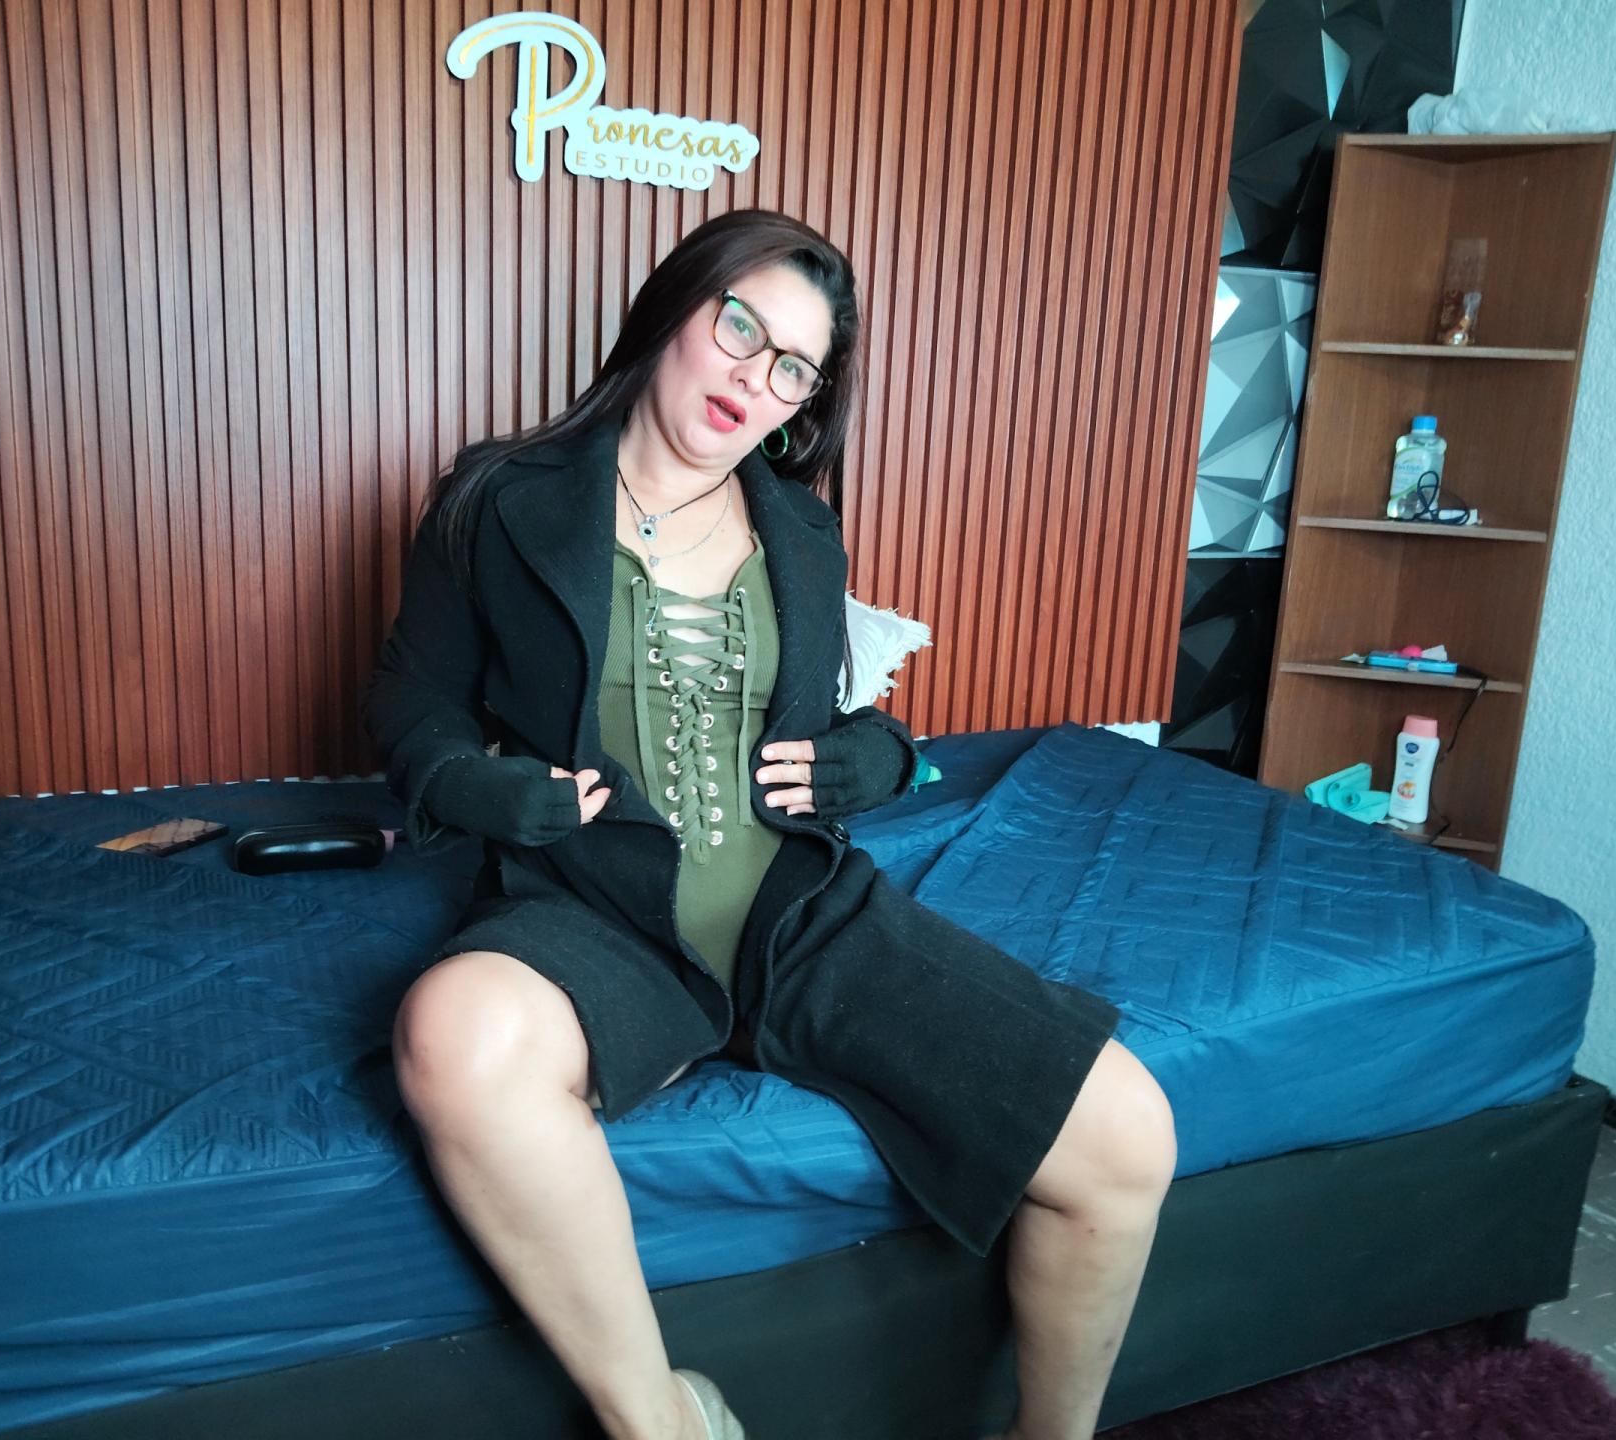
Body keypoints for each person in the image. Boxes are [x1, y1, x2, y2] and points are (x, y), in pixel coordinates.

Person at [361, 208, 1176, 1440]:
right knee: (453, 1036)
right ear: (673, 311)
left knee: (1129, 1135)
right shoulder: (498, 497)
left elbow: (834, 720)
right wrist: (474, 785)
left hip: (800, 921)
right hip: (596, 912)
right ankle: (666, 1417)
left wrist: (875, 756)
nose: (756, 375)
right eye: (740, 327)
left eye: (794, 365)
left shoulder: (801, 530)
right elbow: (410, 701)